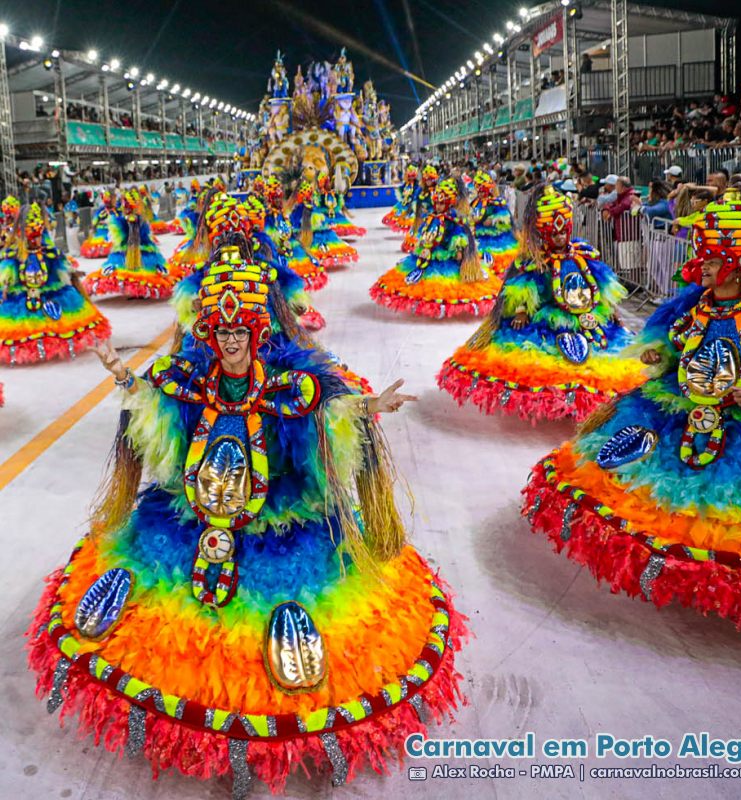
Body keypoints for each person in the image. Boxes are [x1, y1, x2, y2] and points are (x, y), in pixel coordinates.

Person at [28, 245, 466, 792]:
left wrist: (365, 408)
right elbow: (157, 406)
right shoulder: (190, 380)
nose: (231, 343)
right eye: (222, 335)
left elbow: (321, 410)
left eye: (240, 335)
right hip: (193, 512)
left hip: (276, 522)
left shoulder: (289, 385)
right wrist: (128, 381)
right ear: (211, 338)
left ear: (256, 337)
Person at [523, 184, 741, 631]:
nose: (698, 267)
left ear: (738, 264)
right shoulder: (692, 306)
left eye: (709, 259)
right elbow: (673, 347)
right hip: (679, 410)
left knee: (729, 512)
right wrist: (660, 357)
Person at [437, 184, 645, 422]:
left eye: (562, 232)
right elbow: (525, 287)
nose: (559, 237)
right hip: (547, 317)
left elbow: (598, 287)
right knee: (553, 362)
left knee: (597, 359)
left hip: (586, 317)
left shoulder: (583, 254)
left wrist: (609, 310)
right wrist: (522, 312)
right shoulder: (534, 260)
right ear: (544, 233)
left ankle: (580, 400)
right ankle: (558, 401)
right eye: (554, 233)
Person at [370, 178, 501, 318]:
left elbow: (458, 235)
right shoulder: (431, 217)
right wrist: (422, 244)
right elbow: (425, 232)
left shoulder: (453, 218)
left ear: (449, 203)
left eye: (441, 203)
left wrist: (458, 250)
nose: (438, 206)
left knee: (447, 284)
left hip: (446, 254)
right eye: (437, 203)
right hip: (428, 252)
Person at [0, 201, 111, 363]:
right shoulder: (14, 253)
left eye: (38, 235)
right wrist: (6, 285)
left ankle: (51, 343)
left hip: (51, 291)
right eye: (32, 235)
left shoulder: (50, 252)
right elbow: (7, 275)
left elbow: (61, 267)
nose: (36, 240)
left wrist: (70, 272)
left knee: (55, 318)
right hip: (22, 296)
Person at [470, 170, 518, 275]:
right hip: (478, 238)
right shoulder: (475, 203)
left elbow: (505, 218)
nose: (481, 193)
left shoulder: (496, 202)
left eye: (483, 191)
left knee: (496, 266)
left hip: (496, 240)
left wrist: (493, 220)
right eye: (479, 191)